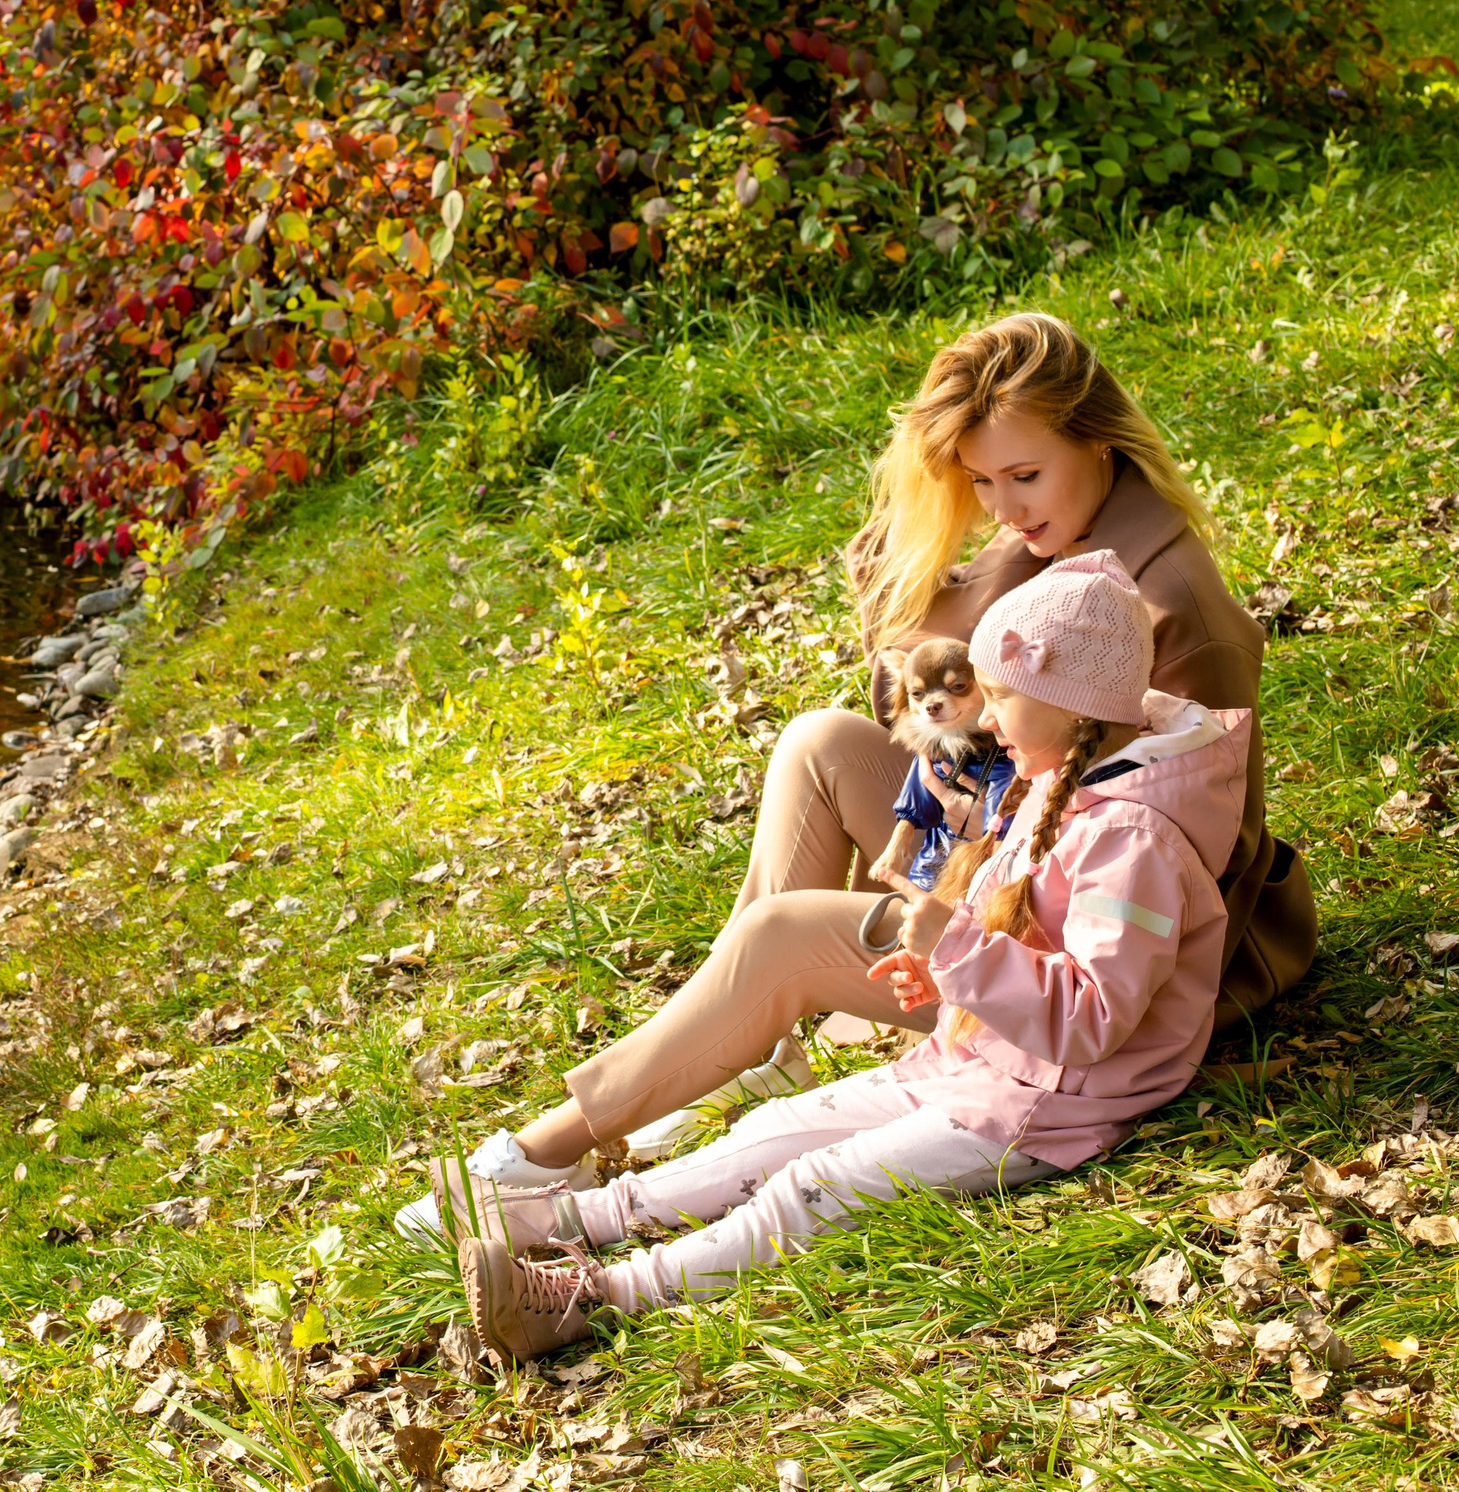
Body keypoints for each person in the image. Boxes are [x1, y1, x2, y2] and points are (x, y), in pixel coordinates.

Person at [393, 312, 1311, 1240]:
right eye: (979, 481)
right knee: (819, 744)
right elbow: (920, 703)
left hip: (1090, 973)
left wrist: (975, 874)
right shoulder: (1049, 534)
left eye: (1024, 475)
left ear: (1098, 441)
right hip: (1006, 859)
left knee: (785, 936)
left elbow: (1187, 854)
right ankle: (749, 1037)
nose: (1002, 507)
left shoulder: (1172, 606)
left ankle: (548, 1150)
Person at [444, 554, 1253, 1358]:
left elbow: (1093, 1021)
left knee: (814, 1185)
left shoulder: (1132, 839)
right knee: (779, 1126)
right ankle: (566, 1218)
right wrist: (946, 972)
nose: (985, 716)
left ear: (1074, 708)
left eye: (1000, 696)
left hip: (1052, 1105)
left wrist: (958, 947)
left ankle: (591, 1297)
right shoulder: (1059, 779)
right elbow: (1028, 935)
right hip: (979, 1061)